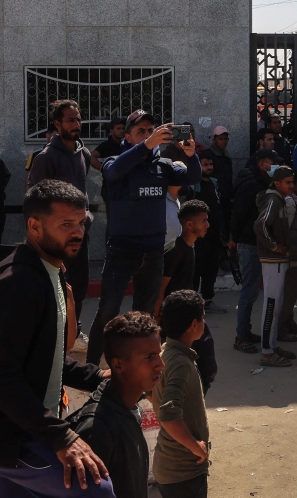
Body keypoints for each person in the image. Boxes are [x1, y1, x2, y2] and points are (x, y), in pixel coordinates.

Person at [0, 180, 113, 498]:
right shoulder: (19, 283)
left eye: (81, 222)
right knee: (94, 487)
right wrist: (62, 438)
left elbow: (46, 355)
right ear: (34, 226)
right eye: (66, 224)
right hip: (8, 432)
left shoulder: (50, 271)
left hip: (28, 423)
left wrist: (99, 376)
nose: (78, 232)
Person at [85, 111, 201, 365]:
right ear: (127, 136)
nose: (148, 135)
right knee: (108, 311)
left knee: (144, 316)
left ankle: (138, 369)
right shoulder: (115, 161)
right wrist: (147, 145)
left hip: (153, 252)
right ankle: (91, 367)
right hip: (122, 250)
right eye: (141, 131)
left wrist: (191, 156)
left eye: (151, 130)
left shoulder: (162, 165)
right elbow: (113, 171)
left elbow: (191, 177)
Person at [68, 312, 164, 498]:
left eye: (158, 355)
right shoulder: (97, 429)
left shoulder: (129, 410)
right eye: (149, 357)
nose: (160, 364)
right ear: (118, 365)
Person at [27, 100, 95, 342]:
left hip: (80, 234)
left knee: (79, 284)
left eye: (78, 119)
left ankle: (73, 332)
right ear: (58, 124)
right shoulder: (46, 158)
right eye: (70, 120)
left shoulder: (83, 154)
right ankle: (53, 333)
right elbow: (34, 199)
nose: (76, 124)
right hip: (56, 238)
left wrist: (86, 218)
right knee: (54, 285)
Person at [151, 290, 211, 498]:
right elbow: (168, 415)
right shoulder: (181, 364)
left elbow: (150, 392)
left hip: (169, 467)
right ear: (194, 325)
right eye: (203, 318)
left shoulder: (166, 351)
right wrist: (197, 448)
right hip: (184, 472)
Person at [155, 200, 218, 393]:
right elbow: (161, 287)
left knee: (206, 365)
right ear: (189, 224)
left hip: (190, 314)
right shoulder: (174, 251)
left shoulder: (190, 247)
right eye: (203, 221)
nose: (207, 225)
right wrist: (157, 318)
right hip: (177, 319)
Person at [230, 147, 280, 354]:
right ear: (262, 164)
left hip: (253, 242)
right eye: (272, 162)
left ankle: (246, 332)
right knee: (249, 291)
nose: (274, 167)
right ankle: (241, 336)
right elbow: (239, 213)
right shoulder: (251, 184)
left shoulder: (260, 182)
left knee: (251, 291)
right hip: (248, 243)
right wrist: (235, 239)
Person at [253, 165, 297, 368]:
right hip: (272, 260)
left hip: (278, 260)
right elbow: (260, 225)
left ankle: (271, 345)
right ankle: (266, 352)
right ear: (277, 183)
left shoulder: (278, 199)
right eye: (287, 182)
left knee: (276, 304)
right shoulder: (273, 200)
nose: (291, 186)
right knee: (271, 305)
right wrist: (273, 246)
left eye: (292, 182)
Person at [193, 151, 227, 314]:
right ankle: (192, 303)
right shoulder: (193, 185)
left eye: (210, 164)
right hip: (197, 237)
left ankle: (207, 301)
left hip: (213, 236)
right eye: (205, 164)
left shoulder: (214, 184)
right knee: (195, 270)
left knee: (210, 270)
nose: (209, 167)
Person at [278, 171, 297, 341]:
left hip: (296, 251)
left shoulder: (295, 200)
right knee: (288, 294)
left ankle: (289, 322)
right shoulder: (289, 202)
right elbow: (285, 230)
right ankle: (281, 328)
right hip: (292, 253)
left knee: (292, 293)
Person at [208, 126, 234, 230]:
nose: (223, 142)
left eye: (225, 139)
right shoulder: (208, 155)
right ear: (214, 140)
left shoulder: (226, 156)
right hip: (213, 198)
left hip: (225, 198)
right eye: (220, 139)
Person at [25, 125, 58, 191]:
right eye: (54, 136)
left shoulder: (64, 155)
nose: (57, 140)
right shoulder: (35, 155)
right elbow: (28, 180)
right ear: (47, 135)